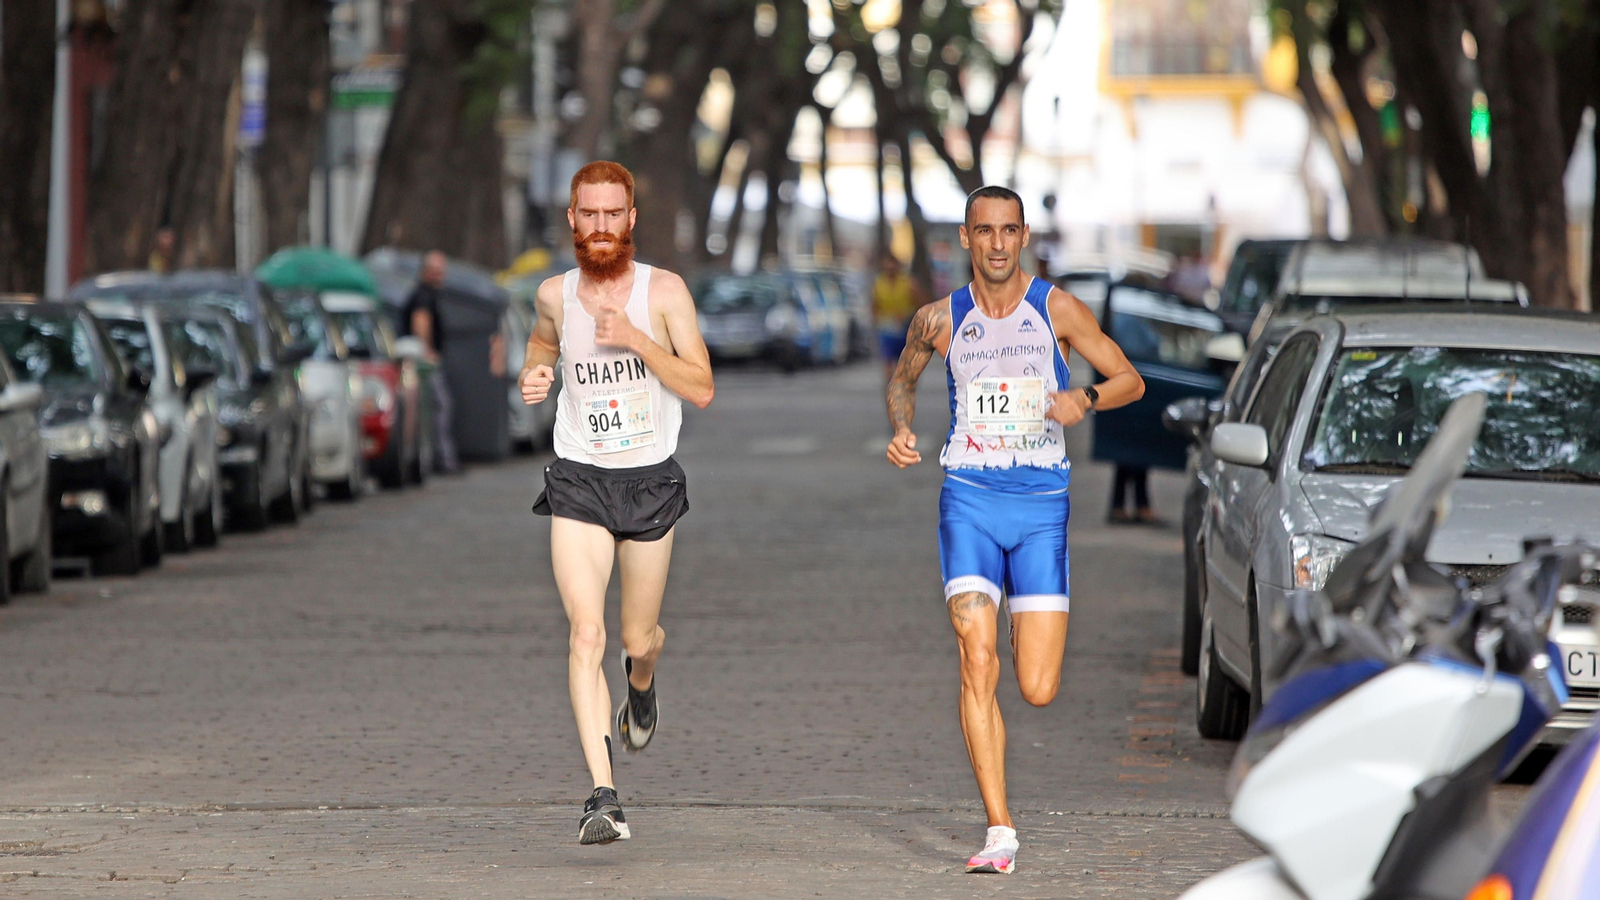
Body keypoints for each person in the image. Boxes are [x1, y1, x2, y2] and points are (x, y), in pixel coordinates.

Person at [884, 186, 1144, 875]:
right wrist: (902, 428)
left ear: (1023, 235)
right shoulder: (938, 319)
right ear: (965, 238)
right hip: (968, 499)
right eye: (984, 231)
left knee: (1037, 686)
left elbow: (1131, 380)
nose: (996, 244)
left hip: (1040, 507)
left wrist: (1085, 397)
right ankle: (999, 829)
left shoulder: (1057, 310)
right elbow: (902, 379)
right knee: (975, 658)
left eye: (1008, 231)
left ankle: (1016, 620)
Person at [518, 161, 714, 846]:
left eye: (612, 214)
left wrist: (635, 339)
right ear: (571, 219)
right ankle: (603, 796)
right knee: (585, 633)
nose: (600, 226)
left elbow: (701, 387)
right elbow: (543, 341)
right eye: (588, 214)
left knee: (635, 638)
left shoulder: (665, 292)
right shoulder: (554, 294)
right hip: (579, 478)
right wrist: (536, 371)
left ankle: (644, 677)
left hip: (649, 481)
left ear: (630, 219)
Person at [401, 251, 461, 474]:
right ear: (425, 272)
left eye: (441, 272)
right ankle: (443, 459)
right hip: (425, 363)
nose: (440, 276)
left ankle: (440, 457)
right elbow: (421, 323)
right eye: (435, 272)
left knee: (436, 408)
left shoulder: (426, 294)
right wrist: (427, 352)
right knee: (440, 406)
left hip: (424, 360)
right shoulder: (423, 296)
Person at [873, 254, 922, 379]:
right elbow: (874, 305)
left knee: (906, 361)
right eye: (887, 266)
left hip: (905, 327)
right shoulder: (879, 284)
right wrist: (877, 321)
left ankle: (905, 384)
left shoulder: (908, 283)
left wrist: (910, 317)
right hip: (887, 328)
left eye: (892, 265)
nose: (890, 268)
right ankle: (890, 386)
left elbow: (920, 303)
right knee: (888, 361)